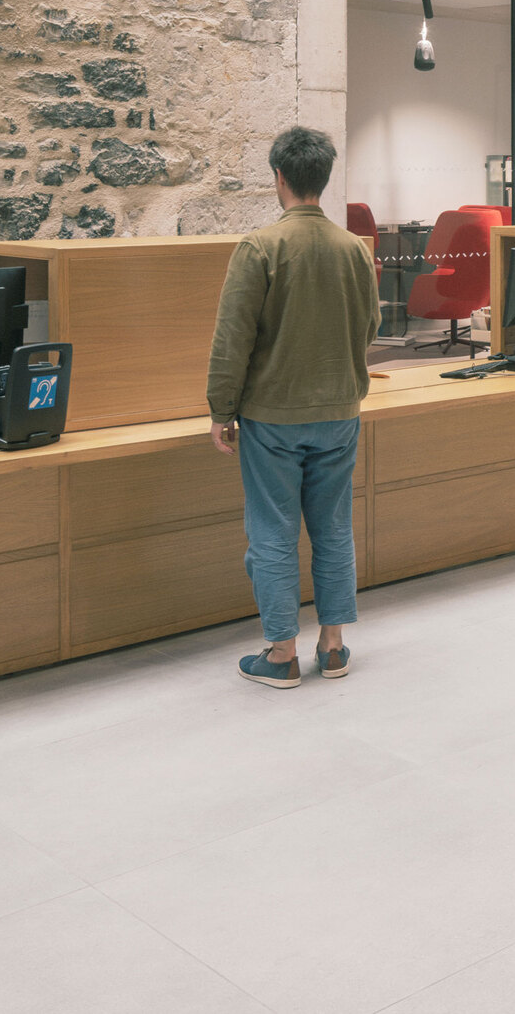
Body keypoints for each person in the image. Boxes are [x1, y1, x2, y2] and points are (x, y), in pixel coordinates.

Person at [207, 125, 379, 688]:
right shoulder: (355, 248)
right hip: (340, 413)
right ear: (323, 180)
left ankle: (280, 653)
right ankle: (333, 647)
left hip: (273, 418)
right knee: (333, 529)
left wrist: (221, 408)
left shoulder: (260, 246)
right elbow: (370, 325)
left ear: (278, 177)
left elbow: (233, 337)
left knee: (274, 531)